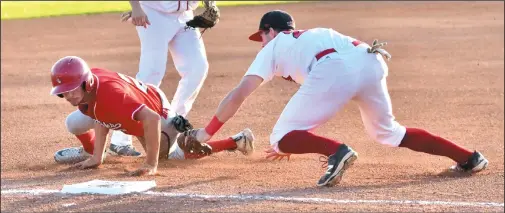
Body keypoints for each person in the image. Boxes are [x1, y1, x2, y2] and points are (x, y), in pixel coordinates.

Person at [186, 10, 489, 186]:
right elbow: (334, 78)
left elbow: (239, 94)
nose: (260, 43)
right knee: (388, 132)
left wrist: (207, 132)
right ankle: (469, 158)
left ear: (271, 31)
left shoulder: (274, 47)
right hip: (370, 61)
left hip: (334, 68)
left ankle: (338, 152)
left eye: (261, 36)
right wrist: (300, 139)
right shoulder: (315, 34)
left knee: (279, 138)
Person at [50, 56, 254, 175]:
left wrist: (151, 163)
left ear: (87, 82)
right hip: (135, 99)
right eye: (63, 92)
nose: (68, 96)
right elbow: (100, 114)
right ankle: (90, 152)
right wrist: (97, 156)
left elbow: (152, 118)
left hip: (156, 109)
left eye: (72, 89)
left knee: (174, 155)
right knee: (74, 122)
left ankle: (236, 141)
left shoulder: (111, 95)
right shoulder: (90, 88)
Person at [101, 0, 216, 157]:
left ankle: (172, 128)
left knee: (197, 68)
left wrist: (211, 4)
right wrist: (136, 7)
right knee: (150, 76)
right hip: (153, 14)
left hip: (185, 16)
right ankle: (120, 140)